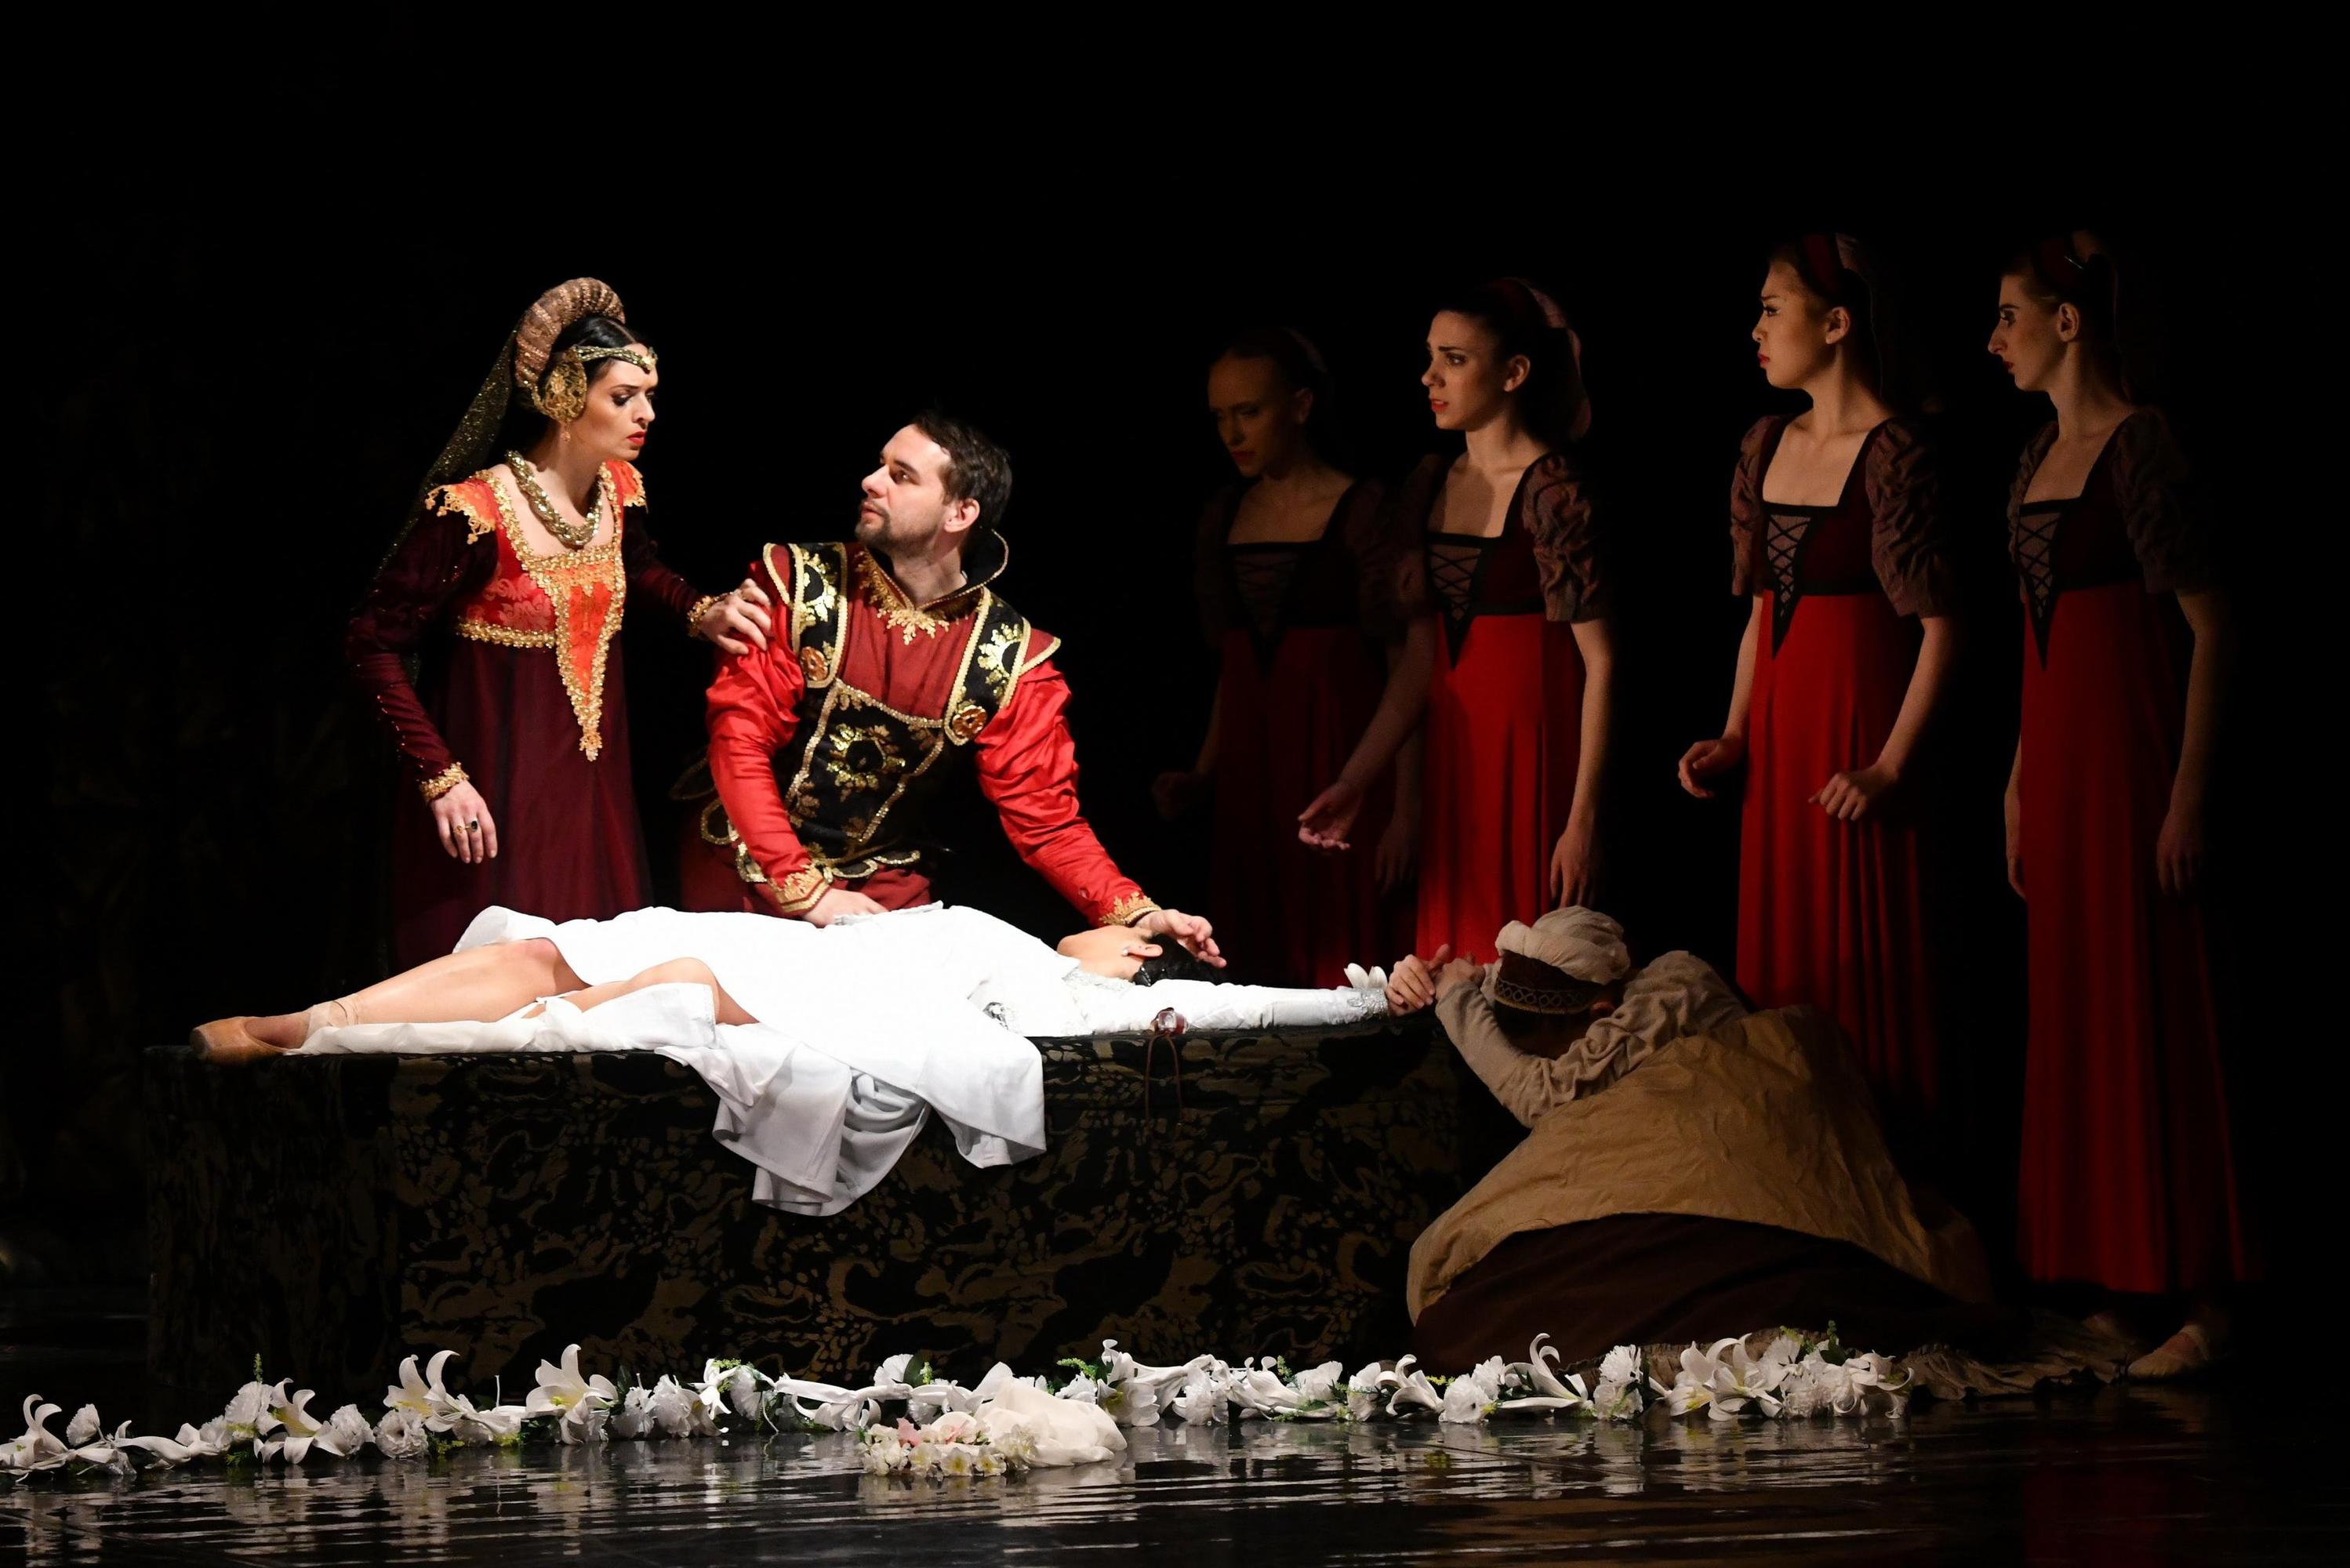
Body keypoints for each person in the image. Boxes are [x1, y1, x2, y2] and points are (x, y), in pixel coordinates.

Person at [187, 902, 1383, 1214]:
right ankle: (315, 1020)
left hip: (852, 1003)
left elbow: (1236, 1013)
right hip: (805, 951)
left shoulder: (1062, 996)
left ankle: (336, 1032)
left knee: (662, 984)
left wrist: (1360, 1002)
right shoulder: (1003, 927)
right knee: (551, 953)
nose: (1128, 934)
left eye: (1142, 950)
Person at [1989, 234, 2253, 1377]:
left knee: (2159, 1010)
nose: (1993, 339)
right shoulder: (2034, 458)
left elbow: (2216, 628)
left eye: (2009, 314)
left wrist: (2187, 794)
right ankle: (2119, 1282)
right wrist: (2016, 779)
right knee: (2084, 1012)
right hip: (2060, 767)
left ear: (2068, 321)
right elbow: (2033, 637)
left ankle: (2208, 1298)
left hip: (2135, 762)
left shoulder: (2141, 445)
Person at [679, 409, 1219, 964]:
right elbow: (739, 743)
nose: (871, 481)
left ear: (960, 513)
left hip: (879, 884)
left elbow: (1046, 821)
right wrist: (807, 890)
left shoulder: (1009, 655)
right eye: (880, 465)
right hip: (746, 861)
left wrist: (1137, 913)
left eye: (901, 475)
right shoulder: (800, 584)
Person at [347, 278, 768, 967]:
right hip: (495, 780)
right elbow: (372, 641)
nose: (646, 414)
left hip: (587, 786)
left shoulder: (618, 490)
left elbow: (639, 566)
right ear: (564, 396)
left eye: (648, 395)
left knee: (590, 967)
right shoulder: (474, 512)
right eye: (623, 397)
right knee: (495, 971)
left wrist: (701, 611)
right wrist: (440, 776)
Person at [1389, 909, 2000, 1370]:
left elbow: (1543, 1095)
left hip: (1740, 1165)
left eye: (1552, 1044)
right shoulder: (1557, 983)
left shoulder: (1673, 989)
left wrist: (1458, 998)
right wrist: (1428, 978)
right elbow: (1494, 983)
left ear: (1599, 1013)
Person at [1675, 234, 1958, 1147]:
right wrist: (1735, 733)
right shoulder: (1765, 443)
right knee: (1787, 967)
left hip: (1858, 737)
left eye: (1772, 308)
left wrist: (1889, 766)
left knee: (1868, 967)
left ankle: (1890, 1178)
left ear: (1836, 324)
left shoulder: (1896, 451)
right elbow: (1762, 613)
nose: (1756, 328)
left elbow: (1946, 630)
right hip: (1784, 743)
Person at [1298, 279, 1613, 964]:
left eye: (1455, 359)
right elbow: (1420, 662)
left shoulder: (1553, 490)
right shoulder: (1433, 486)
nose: (1429, 376)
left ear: (1513, 373)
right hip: (1458, 759)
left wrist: (1582, 819)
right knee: (1454, 962)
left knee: (1531, 964)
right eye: (1429, 356)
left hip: (1535, 751)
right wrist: (1355, 781)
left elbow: (1603, 661)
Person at [1153, 328, 1422, 985]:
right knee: (1259, 954)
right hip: (1254, 773)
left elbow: (1409, 670)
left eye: (1249, 412)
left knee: (1345, 953)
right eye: (1220, 416)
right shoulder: (1225, 514)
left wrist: (1406, 809)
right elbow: (1237, 665)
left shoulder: (1362, 509)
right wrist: (1203, 773)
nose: (1232, 433)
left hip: (1337, 756)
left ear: (1300, 406)